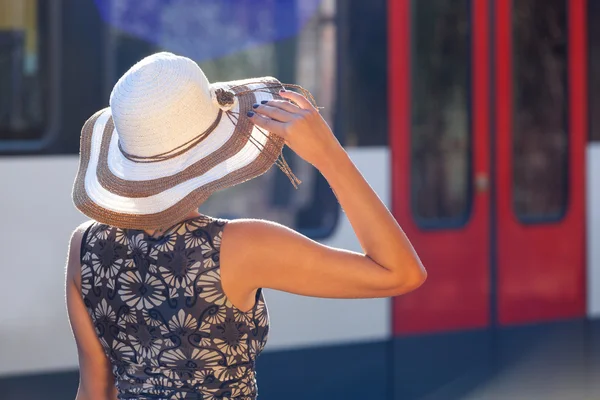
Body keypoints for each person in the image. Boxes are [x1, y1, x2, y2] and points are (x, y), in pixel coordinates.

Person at [65, 52, 426, 400]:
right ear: (212, 153)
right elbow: (401, 273)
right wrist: (327, 154)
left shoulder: (85, 246)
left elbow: (94, 391)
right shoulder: (239, 246)